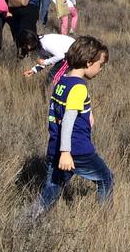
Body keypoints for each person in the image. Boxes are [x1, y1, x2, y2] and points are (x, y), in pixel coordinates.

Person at [34, 37, 113, 215]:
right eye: (100, 65)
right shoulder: (79, 87)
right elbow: (68, 120)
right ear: (88, 62)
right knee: (105, 178)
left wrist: (87, 112)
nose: (100, 70)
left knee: (52, 189)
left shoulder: (61, 82)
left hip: (54, 147)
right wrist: (66, 153)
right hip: (76, 150)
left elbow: (63, 111)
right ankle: (106, 218)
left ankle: (28, 219)